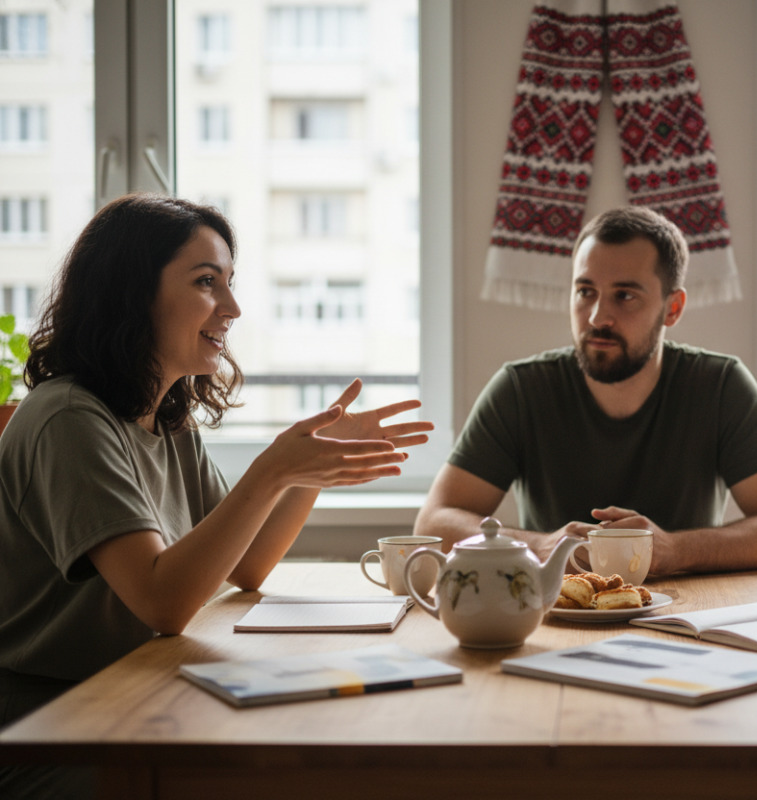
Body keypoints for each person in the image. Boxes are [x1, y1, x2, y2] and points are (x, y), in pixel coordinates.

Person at [0, 194, 433, 798]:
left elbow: (247, 566)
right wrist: (270, 472)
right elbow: (163, 602)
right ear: (131, 293)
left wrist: (309, 467)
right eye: (208, 283)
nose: (231, 308)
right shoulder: (69, 418)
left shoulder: (165, 417)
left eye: (230, 283)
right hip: (54, 729)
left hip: (134, 695)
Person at [415, 206, 757, 575]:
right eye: (585, 291)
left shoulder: (719, 385)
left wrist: (676, 550)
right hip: (557, 615)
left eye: (625, 296)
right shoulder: (522, 389)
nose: (597, 316)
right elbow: (434, 522)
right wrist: (539, 546)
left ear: (672, 308)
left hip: (689, 619)